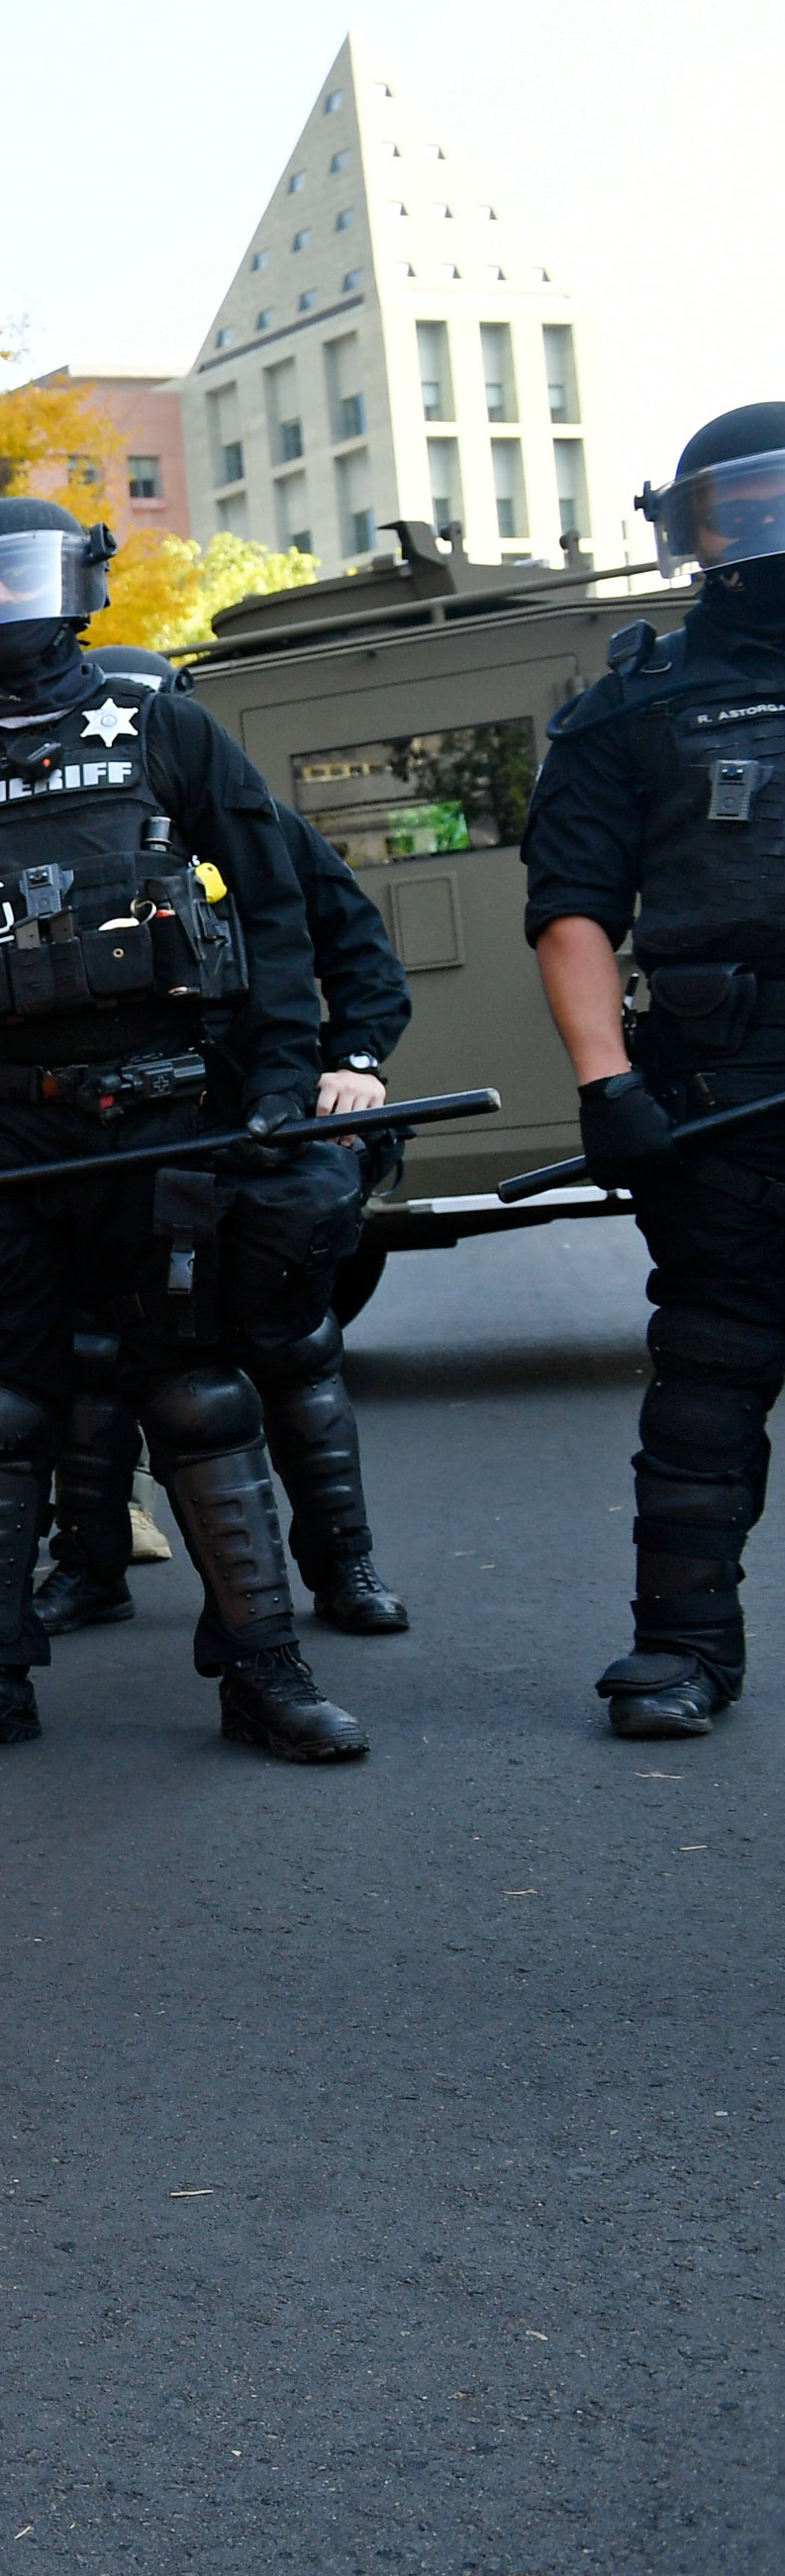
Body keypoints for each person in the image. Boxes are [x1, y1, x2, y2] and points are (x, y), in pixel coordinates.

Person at [0, 499, 362, 1766]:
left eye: (25, 579)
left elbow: (281, 907)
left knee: (194, 1393)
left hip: (165, 1111)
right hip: (1, 1131)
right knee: (3, 1409)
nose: (4, 608)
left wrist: (283, 1076)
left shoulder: (166, 729)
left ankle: (266, 1673)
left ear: (82, 588)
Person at [33, 645, 414, 1640]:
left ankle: (343, 1571)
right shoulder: (49, 849)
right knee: (95, 1353)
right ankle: (91, 1564)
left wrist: (356, 1061)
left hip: (259, 1120)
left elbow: (363, 958)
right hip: (122, 1134)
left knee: (290, 1351)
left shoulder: (257, 826)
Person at [522, 402, 785, 1741]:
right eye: (744, 509)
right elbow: (573, 909)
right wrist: (605, 1083)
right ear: (691, 534)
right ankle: (681, 1651)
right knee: (711, 1376)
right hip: (731, 1087)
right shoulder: (632, 709)